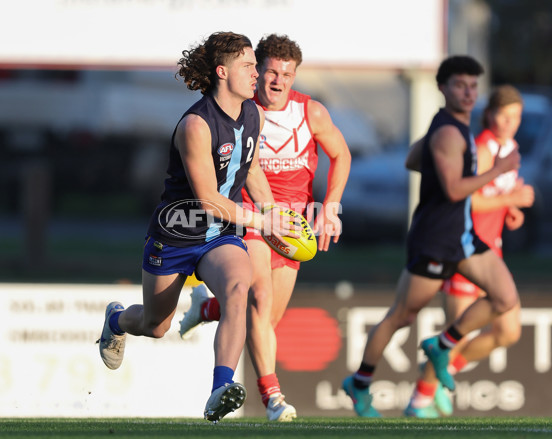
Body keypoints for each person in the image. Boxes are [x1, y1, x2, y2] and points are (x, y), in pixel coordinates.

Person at [96, 31, 298, 423]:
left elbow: (250, 166)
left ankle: (220, 387)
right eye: (248, 66)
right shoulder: (196, 125)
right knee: (156, 325)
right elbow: (207, 199)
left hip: (220, 235)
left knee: (241, 290)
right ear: (222, 72)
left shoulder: (251, 113)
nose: (256, 73)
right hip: (177, 234)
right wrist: (261, 220)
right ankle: (116, 320)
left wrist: (274, 213)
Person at [178, 34, 351, 421]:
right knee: (260, 300)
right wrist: (262, 212)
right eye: (271, 71)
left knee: (266, 319)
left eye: (287, 75)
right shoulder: (244, 108)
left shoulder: (311, 113)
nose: (277, 81)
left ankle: (208, 308)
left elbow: (341, 154)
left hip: (293, 225)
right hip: (252, 215)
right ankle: (273, 399)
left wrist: (331, 206)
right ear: (259, 71)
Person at [341, 55, 521, 418]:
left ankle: (443, 345)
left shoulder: (453, 128)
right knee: (400, 317)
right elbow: (455, 191)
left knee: (505, 298)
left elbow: (411, 159)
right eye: (459, 85)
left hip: (462, 237)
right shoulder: (449, 132)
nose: (468, 93)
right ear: (442, 88)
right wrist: (499, 170)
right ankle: (359, 384)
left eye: (473, 86)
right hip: (435, 240)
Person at [404, 85, 535, 417]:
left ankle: (445, 376)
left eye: (517, 116)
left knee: (508, 331)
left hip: (493, 252)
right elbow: (467, 199)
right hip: (466, 251)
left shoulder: (509, 148)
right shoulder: (482, 149)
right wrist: (512, 200)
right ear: (489, 115)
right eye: (505, 115)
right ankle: (420, 399)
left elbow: (494, 196)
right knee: (456, 332)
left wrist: (510, 211)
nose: (511, 122)